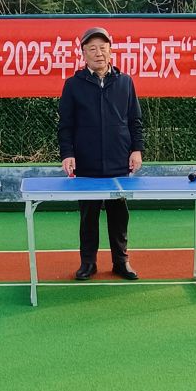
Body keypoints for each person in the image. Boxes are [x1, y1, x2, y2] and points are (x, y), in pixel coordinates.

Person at [58, 25, 144, 281]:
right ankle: (88, 263)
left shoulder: (125, 82)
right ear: (83, 53)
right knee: (88, 217)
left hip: (119, 162)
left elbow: (135, 121)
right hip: (87, 164)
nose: (98, 53)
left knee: (119, 216)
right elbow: (65, 125)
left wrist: (137, 149)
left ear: (110, 51)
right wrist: (67, 153)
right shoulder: (73, 85)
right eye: (92, 49)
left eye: (103, 48)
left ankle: (121, 262)